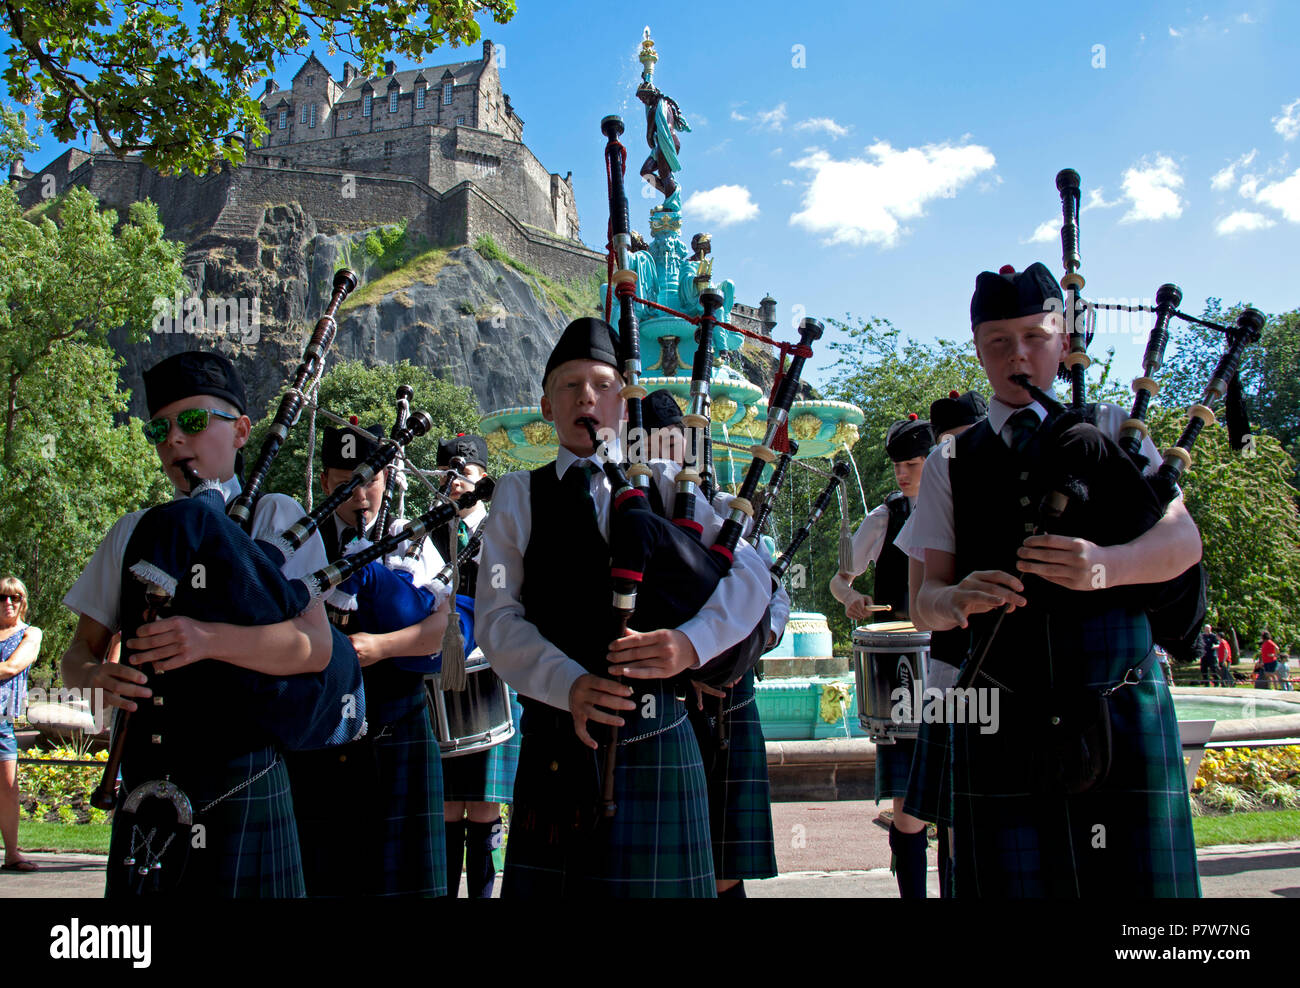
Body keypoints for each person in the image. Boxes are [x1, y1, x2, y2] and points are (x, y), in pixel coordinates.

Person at [910, 262, 1203, 897]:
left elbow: (1183, 543)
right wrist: (955, 598)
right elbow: (923, 602)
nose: (1018, 356)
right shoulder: (949, 462)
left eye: (1035, 338)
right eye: (998, 343)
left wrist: (1106, 566)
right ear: (980, 352)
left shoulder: (1116, 429)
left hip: (1117, 699)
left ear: (1062, 341)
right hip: (999, 712)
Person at [476, 317, 770, 898]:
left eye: (603, 384)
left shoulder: (667, 485)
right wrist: (567, 684)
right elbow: (497, 616)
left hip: (661, 739)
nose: (587, 396)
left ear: (624, 401)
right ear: (545, 405)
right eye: (570, 385)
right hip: (559, 744)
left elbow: (753, 576)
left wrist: (692, 642)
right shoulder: (517, 495)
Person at [61, 351, 335, 897]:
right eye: (159, 429)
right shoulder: (136, 530)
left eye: (191, 422)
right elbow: (77, 656)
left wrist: (206, 639)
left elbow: (315, 647)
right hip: (150, 775)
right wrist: (98, 675)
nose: (174, 441)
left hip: (244, 770)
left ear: (240, 431)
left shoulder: (274, 518)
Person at [285, 423, 449, 897]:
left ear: (388, 476)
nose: (360, 495)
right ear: (323, 483)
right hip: (315, 734)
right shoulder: (301, 541)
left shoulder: (407, 538)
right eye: (345, 484)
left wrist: (380, 647)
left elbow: (448, 632)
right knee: (326, 873)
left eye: (371, 480)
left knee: (402, 878)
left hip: (396, 724)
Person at [641, 387, 787, 899]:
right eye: (646, 441)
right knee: (665, 862)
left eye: (669, 440)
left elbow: (774, 601)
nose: (659, 453)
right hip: (657, 700)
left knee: (725, 860)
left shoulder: (726, 510)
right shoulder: (619, 511)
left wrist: (722, 657)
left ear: (685, 445)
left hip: (728, 698)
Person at [829, 412, 934, 898]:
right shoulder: (886, 515)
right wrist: (852, 599)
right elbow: (838, 578)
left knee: (952, 806)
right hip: (898, 669)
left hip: (954, 667)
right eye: (898, 465)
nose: (902, 473)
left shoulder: (959, 510)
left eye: (912, 463)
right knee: (908, 803)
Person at [896, 389, 987, 898]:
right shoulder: (932, 499)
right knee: (949, 817)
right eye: (945, 445)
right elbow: (919, 605)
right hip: (953, 673)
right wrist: (957, 601)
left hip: (1006, 676)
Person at [432, 433, 523, 899]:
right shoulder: (422, 531)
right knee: (448, 806)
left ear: (483, 479)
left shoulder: (503, 531)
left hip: (494, 677)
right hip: (440, 677)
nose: (454, 484)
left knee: (486, 805)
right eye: (447, 475)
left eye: (463, 475)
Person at [0, 575, 41, 873]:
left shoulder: (31, 634)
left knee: (8, 788)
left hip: (3, 721)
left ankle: (12, 853)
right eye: (2, 597)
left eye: (14, 597)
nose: (8, 603)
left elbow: (13, 667)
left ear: (22, 602)